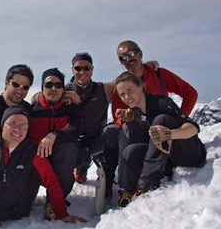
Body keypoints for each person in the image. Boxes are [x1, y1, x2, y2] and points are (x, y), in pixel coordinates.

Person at [113, 73, 206, 207]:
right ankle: (129, 189)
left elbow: (193, 128)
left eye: (130, 91)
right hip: (169, 158)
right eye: (122, 94)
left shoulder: (162, 103)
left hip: (191, 154)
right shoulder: (137, 111)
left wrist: (169, 134)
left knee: (161, 120)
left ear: (140, 87)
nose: (127, 97)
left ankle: (147, 184)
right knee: (130, 151)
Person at [65, 52, 120, 198]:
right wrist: (63, 95)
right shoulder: (62, 90)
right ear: (72, 70)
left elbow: (128, 82)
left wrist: (146, 67)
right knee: (78, 155)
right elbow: (39, 97)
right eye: (78, 68)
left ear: (92, 69)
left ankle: (107, 182)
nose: (82, 72)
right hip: (74, 140)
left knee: (113, 132)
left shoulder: (104, 89)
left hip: (97, 138)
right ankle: (81, 168)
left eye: (86, 68)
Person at [28, 68, 81, 219]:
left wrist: (56, 135)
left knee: (70, 148)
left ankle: (54, 202)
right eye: (49, 85)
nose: (53, 89)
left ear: (63, 89)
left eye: (58, 85)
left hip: (59, 157)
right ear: (42, 88)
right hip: (36, 161)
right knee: (21, 208)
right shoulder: (31, 111)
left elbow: (76, 129)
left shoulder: (69, 108)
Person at [112, 40, 198, 126]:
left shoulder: (160, 74)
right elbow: (117, 115)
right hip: (139, 129)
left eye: (131, 54)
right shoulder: (121, 84)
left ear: (140, 54)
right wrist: (124, 119)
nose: (128, 59)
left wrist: (178, 118)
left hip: (163, 126)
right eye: (123, 57)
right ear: (121, 62)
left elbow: (190, 93)